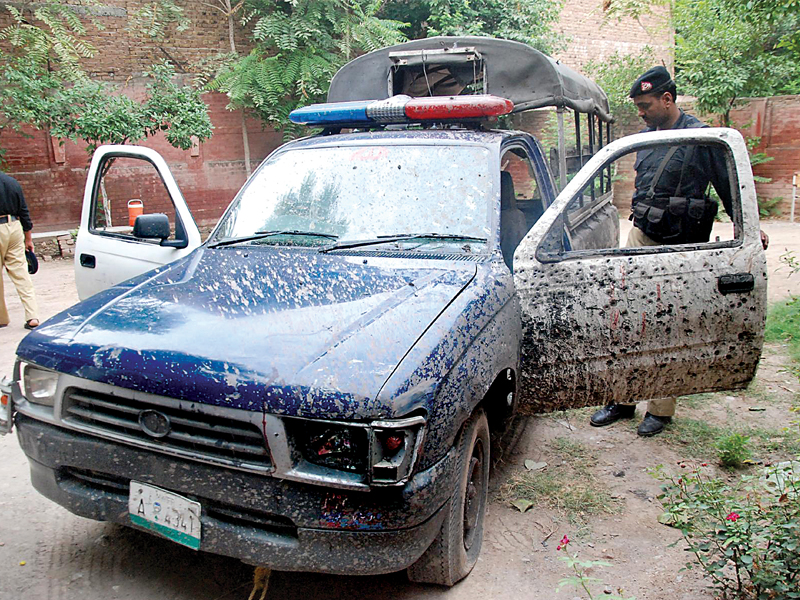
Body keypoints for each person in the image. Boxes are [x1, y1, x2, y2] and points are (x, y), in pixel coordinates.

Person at [590, 65, 768, 437]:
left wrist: (747, 225)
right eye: (638, 105)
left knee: (668, 325)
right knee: (626, 318)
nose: (640, 111)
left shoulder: (702, 138)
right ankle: (621, 398)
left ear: (667, 99)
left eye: (645, 104)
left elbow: (727, 184)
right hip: (643, 237)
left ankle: (660, 409)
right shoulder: (645, 138)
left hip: (682, 247)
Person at [0, 171, 39, 330]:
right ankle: (32, 316)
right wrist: (28, 239)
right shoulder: (12, 182)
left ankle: (2, 318)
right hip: (14, 227)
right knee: (21, 273)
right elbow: (24, 211)